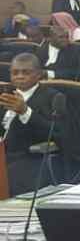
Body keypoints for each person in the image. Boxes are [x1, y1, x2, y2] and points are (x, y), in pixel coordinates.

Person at [1, 54, 65, 195]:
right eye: (15, 73)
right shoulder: (5, 94)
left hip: (28, 157)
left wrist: (25, 112)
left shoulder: (53, 97)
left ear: (39, 74)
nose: (20, 76)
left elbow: (56, 133)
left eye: (26, 72)